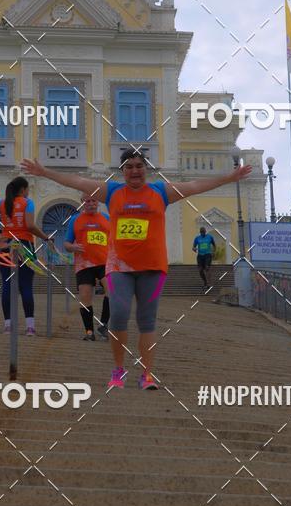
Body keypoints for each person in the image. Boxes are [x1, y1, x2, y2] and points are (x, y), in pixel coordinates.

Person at [21, 150, 252, 389]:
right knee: (119, 315)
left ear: (146, 169)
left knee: (146, 321)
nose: (134, 170)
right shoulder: (112, 193)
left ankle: (147, 374)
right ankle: (118, 370)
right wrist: (44, 172)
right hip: (120, 267)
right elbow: (78, 182)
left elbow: (195, 185)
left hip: (153, 268)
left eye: (139, 165)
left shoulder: (160, 192)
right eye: (129, 166)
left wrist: (228, 178)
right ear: (122, 171)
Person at [0, 176, 52, 335]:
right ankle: (30, 327)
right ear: (24, 189)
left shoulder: (3, 203)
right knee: (25, 286)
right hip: (25, 246)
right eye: (27, 190)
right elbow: (30, 225)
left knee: (7, 284)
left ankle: (8, 326)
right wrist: (45, 237)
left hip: (6, 245)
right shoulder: (28, 203)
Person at [64, 195, 110, 341]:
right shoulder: (74, 220)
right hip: (84, 264)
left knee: (112, 291)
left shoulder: (107, 218)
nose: (90, 204)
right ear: (82, 202)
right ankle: (89, 332)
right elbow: (66, 244)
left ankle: (104, 324)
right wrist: (73, 246)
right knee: (85, 297)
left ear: (98, 202)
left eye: (93, 201)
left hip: (105, 262)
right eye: (87, 201)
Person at [193, 226, 216, 291]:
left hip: (208, 255)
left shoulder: (210, 237)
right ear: (200, 232)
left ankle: (209, 283)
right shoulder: (197, 238)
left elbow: (214, 245)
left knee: (207, 268)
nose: (202, 233)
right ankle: (205, 281)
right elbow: (194, 247)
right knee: (200, 270)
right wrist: (194, 249)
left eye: (203, 232)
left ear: (205, 232)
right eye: (201, 232)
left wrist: (214, 251)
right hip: (200, 255)